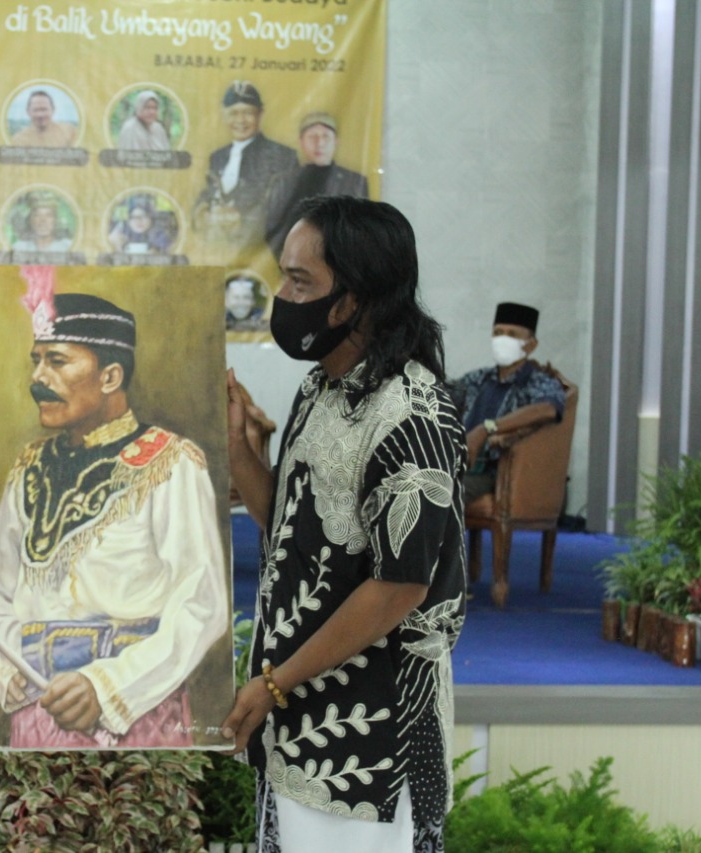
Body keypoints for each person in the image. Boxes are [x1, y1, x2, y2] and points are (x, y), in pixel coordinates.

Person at [224, 196, 466, 853]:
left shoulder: (412, 413)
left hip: (370, 746)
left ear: (353, 298)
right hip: (299, 716)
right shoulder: (318, 389)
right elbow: (290, 533)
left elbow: (399, 587)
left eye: (300, 281)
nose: (282, 295)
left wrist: (277, 681)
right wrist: (241, 452)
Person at [0, 276, 228, 749]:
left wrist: (107, 687)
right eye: (36, 362)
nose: (37, 379)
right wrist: (9, 665)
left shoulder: (169, 462)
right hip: (38, 710)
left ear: (109, 377)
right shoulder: (31, 466)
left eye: (57, 361)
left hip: (134, 712)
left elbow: (200, 603)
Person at [448, 302, 567, 506]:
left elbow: (547, 409)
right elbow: (440, 396)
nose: (503, 339)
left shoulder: (538, 381)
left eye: (512, 334)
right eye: (498, 332)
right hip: (457, 465)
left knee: (440, 492)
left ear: (531, 345)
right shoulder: (479, 378)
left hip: (497, 472)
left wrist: (486, 429)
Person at [194, 82, 298, 249]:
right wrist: (204, 214)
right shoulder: (217, 157)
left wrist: (239, 217)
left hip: (261, 252)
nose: (240, 120)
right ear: (223, 115)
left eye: (248, 113)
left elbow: (286, 208)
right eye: (233, 113)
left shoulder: (282, 156)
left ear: (260, 114)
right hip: (219, 250)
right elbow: (208, 193)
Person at [268, 112, 371, 253]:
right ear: (301, 141)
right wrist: (292, 263)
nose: (320, 143)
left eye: (326, 136)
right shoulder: (282, 182)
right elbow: (273, 231)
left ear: (336, 141)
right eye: (312, 137)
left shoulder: (355, 182)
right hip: (295, 262)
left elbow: (361, 229)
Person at [10, 90, 79, 147]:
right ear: (28, 112)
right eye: (36, 110)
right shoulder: (19, 139)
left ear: (53, 110)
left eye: (44, 109)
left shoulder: (69, 132)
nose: (40, 115)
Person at [107, 196, 174, 254]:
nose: (138, 221)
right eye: (133, 217)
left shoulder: (160, 236)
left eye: (143, 216)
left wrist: (157, 254)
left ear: (151, 219)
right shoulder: (122, 234)